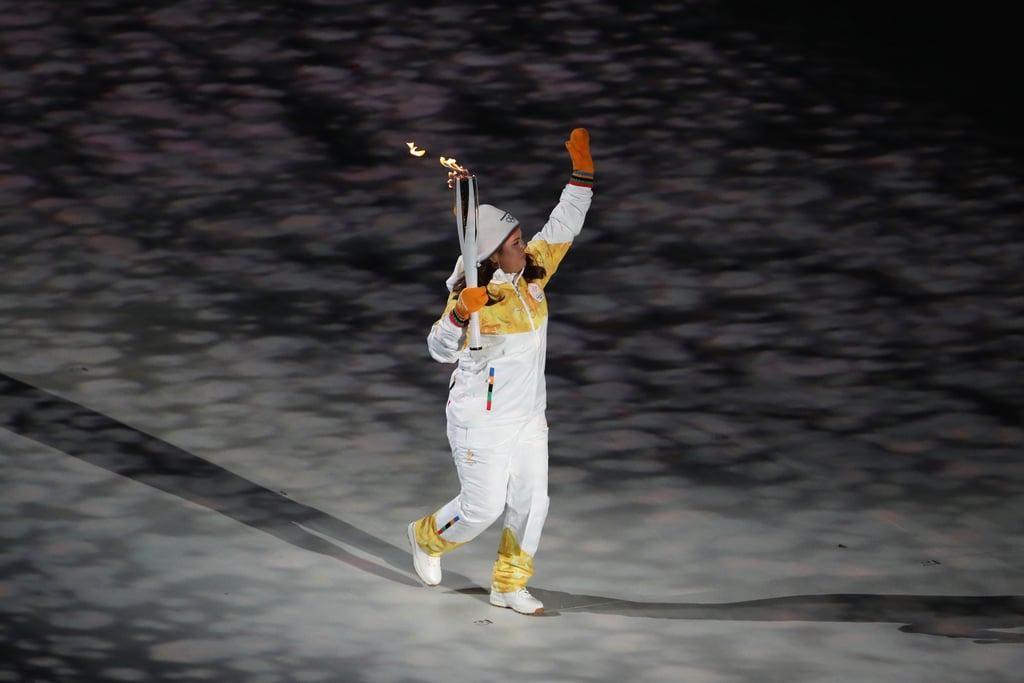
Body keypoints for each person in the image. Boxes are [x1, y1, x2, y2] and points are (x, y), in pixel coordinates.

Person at [407, 128, 594, 616]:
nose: (524, 243)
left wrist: (582, 177)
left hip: (529, 414)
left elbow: (562, 227)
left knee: (533, 502)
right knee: (481, 511)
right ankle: (426, 537)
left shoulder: (532, 272)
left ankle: (509, 584)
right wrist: (459, 315)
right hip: (481, 420)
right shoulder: (472, 298)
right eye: (514, 240)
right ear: (492, 254)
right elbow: (438, 350)